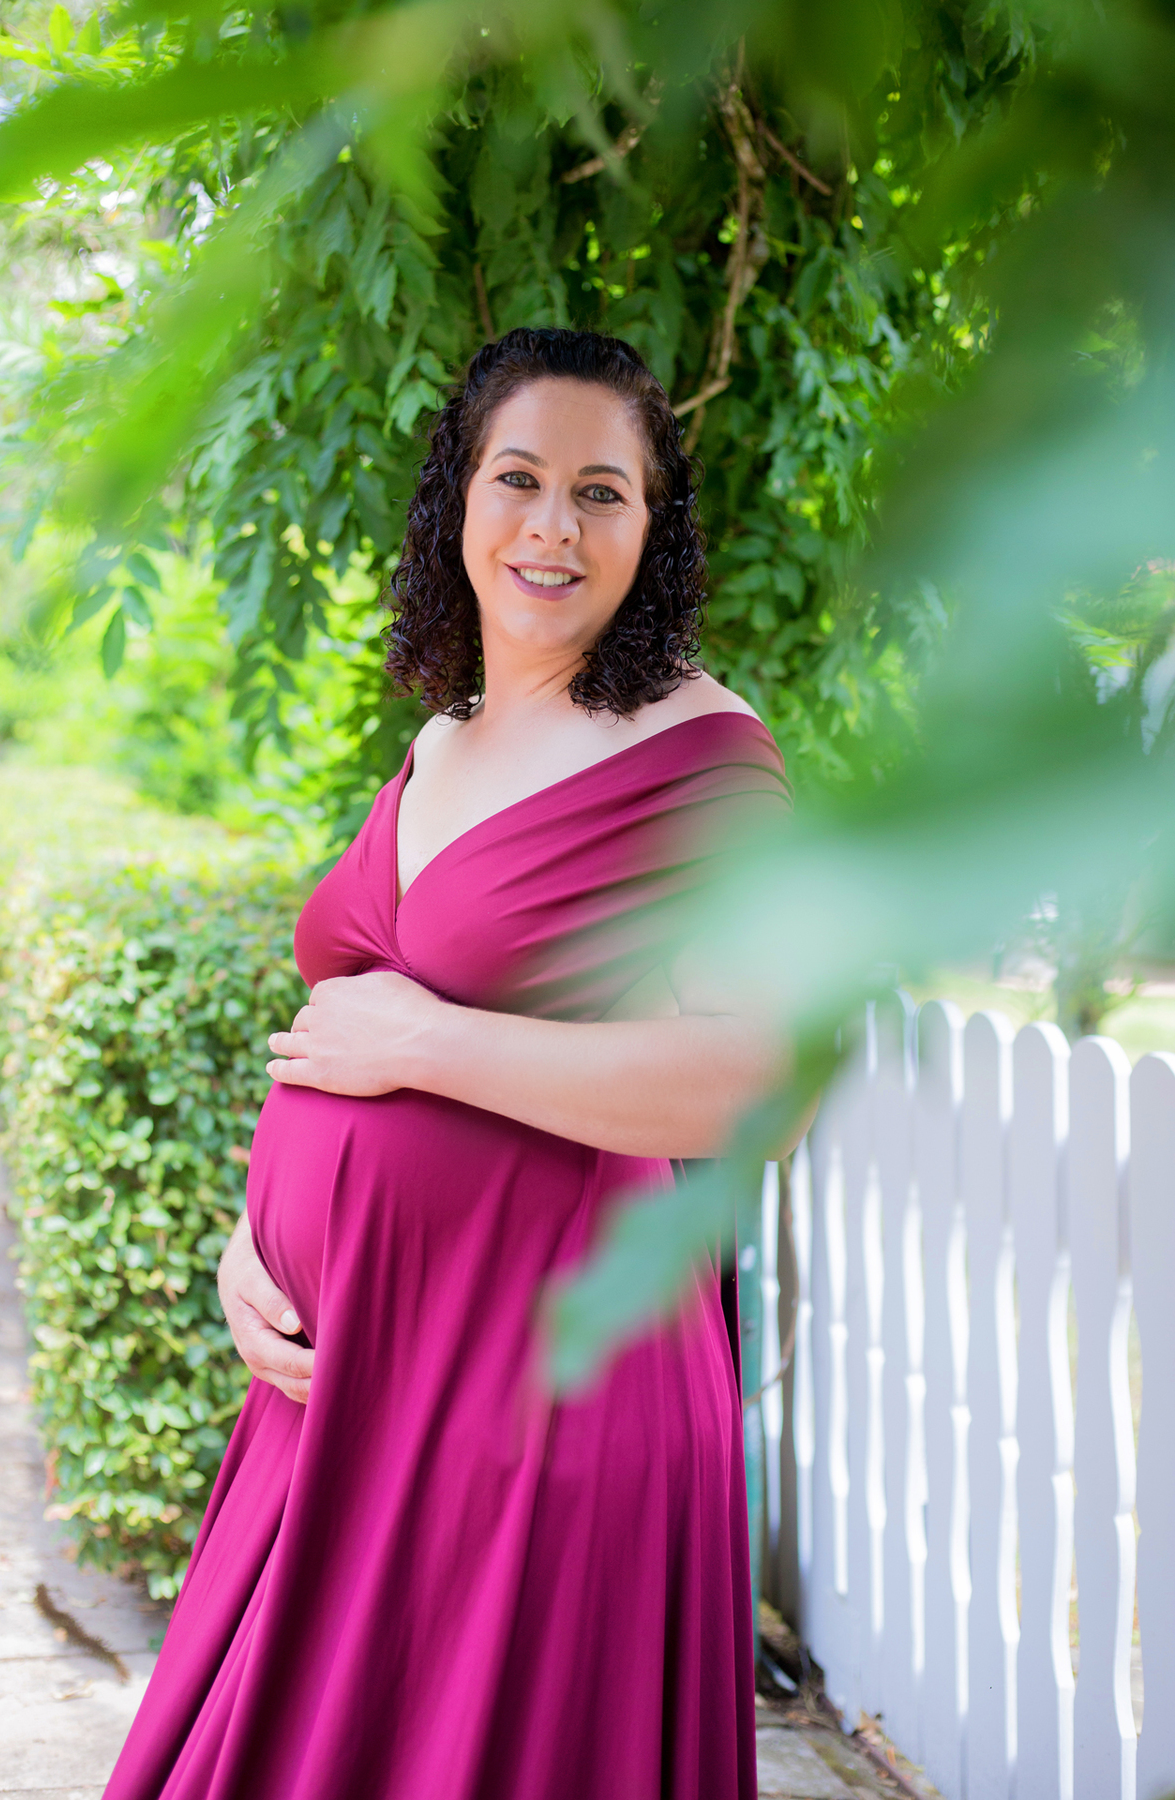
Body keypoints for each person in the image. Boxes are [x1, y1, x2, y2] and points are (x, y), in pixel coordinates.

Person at [104, 327, 798, 1800]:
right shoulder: (442, 742)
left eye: (602, 492)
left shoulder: (703, 748)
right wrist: (258, 1238)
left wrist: (431, 1041)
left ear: (655, 528)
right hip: (351, 1372)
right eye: (520, 478)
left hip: (541, 1397)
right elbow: (348, 1041)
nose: (553, 525)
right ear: (459, 503)